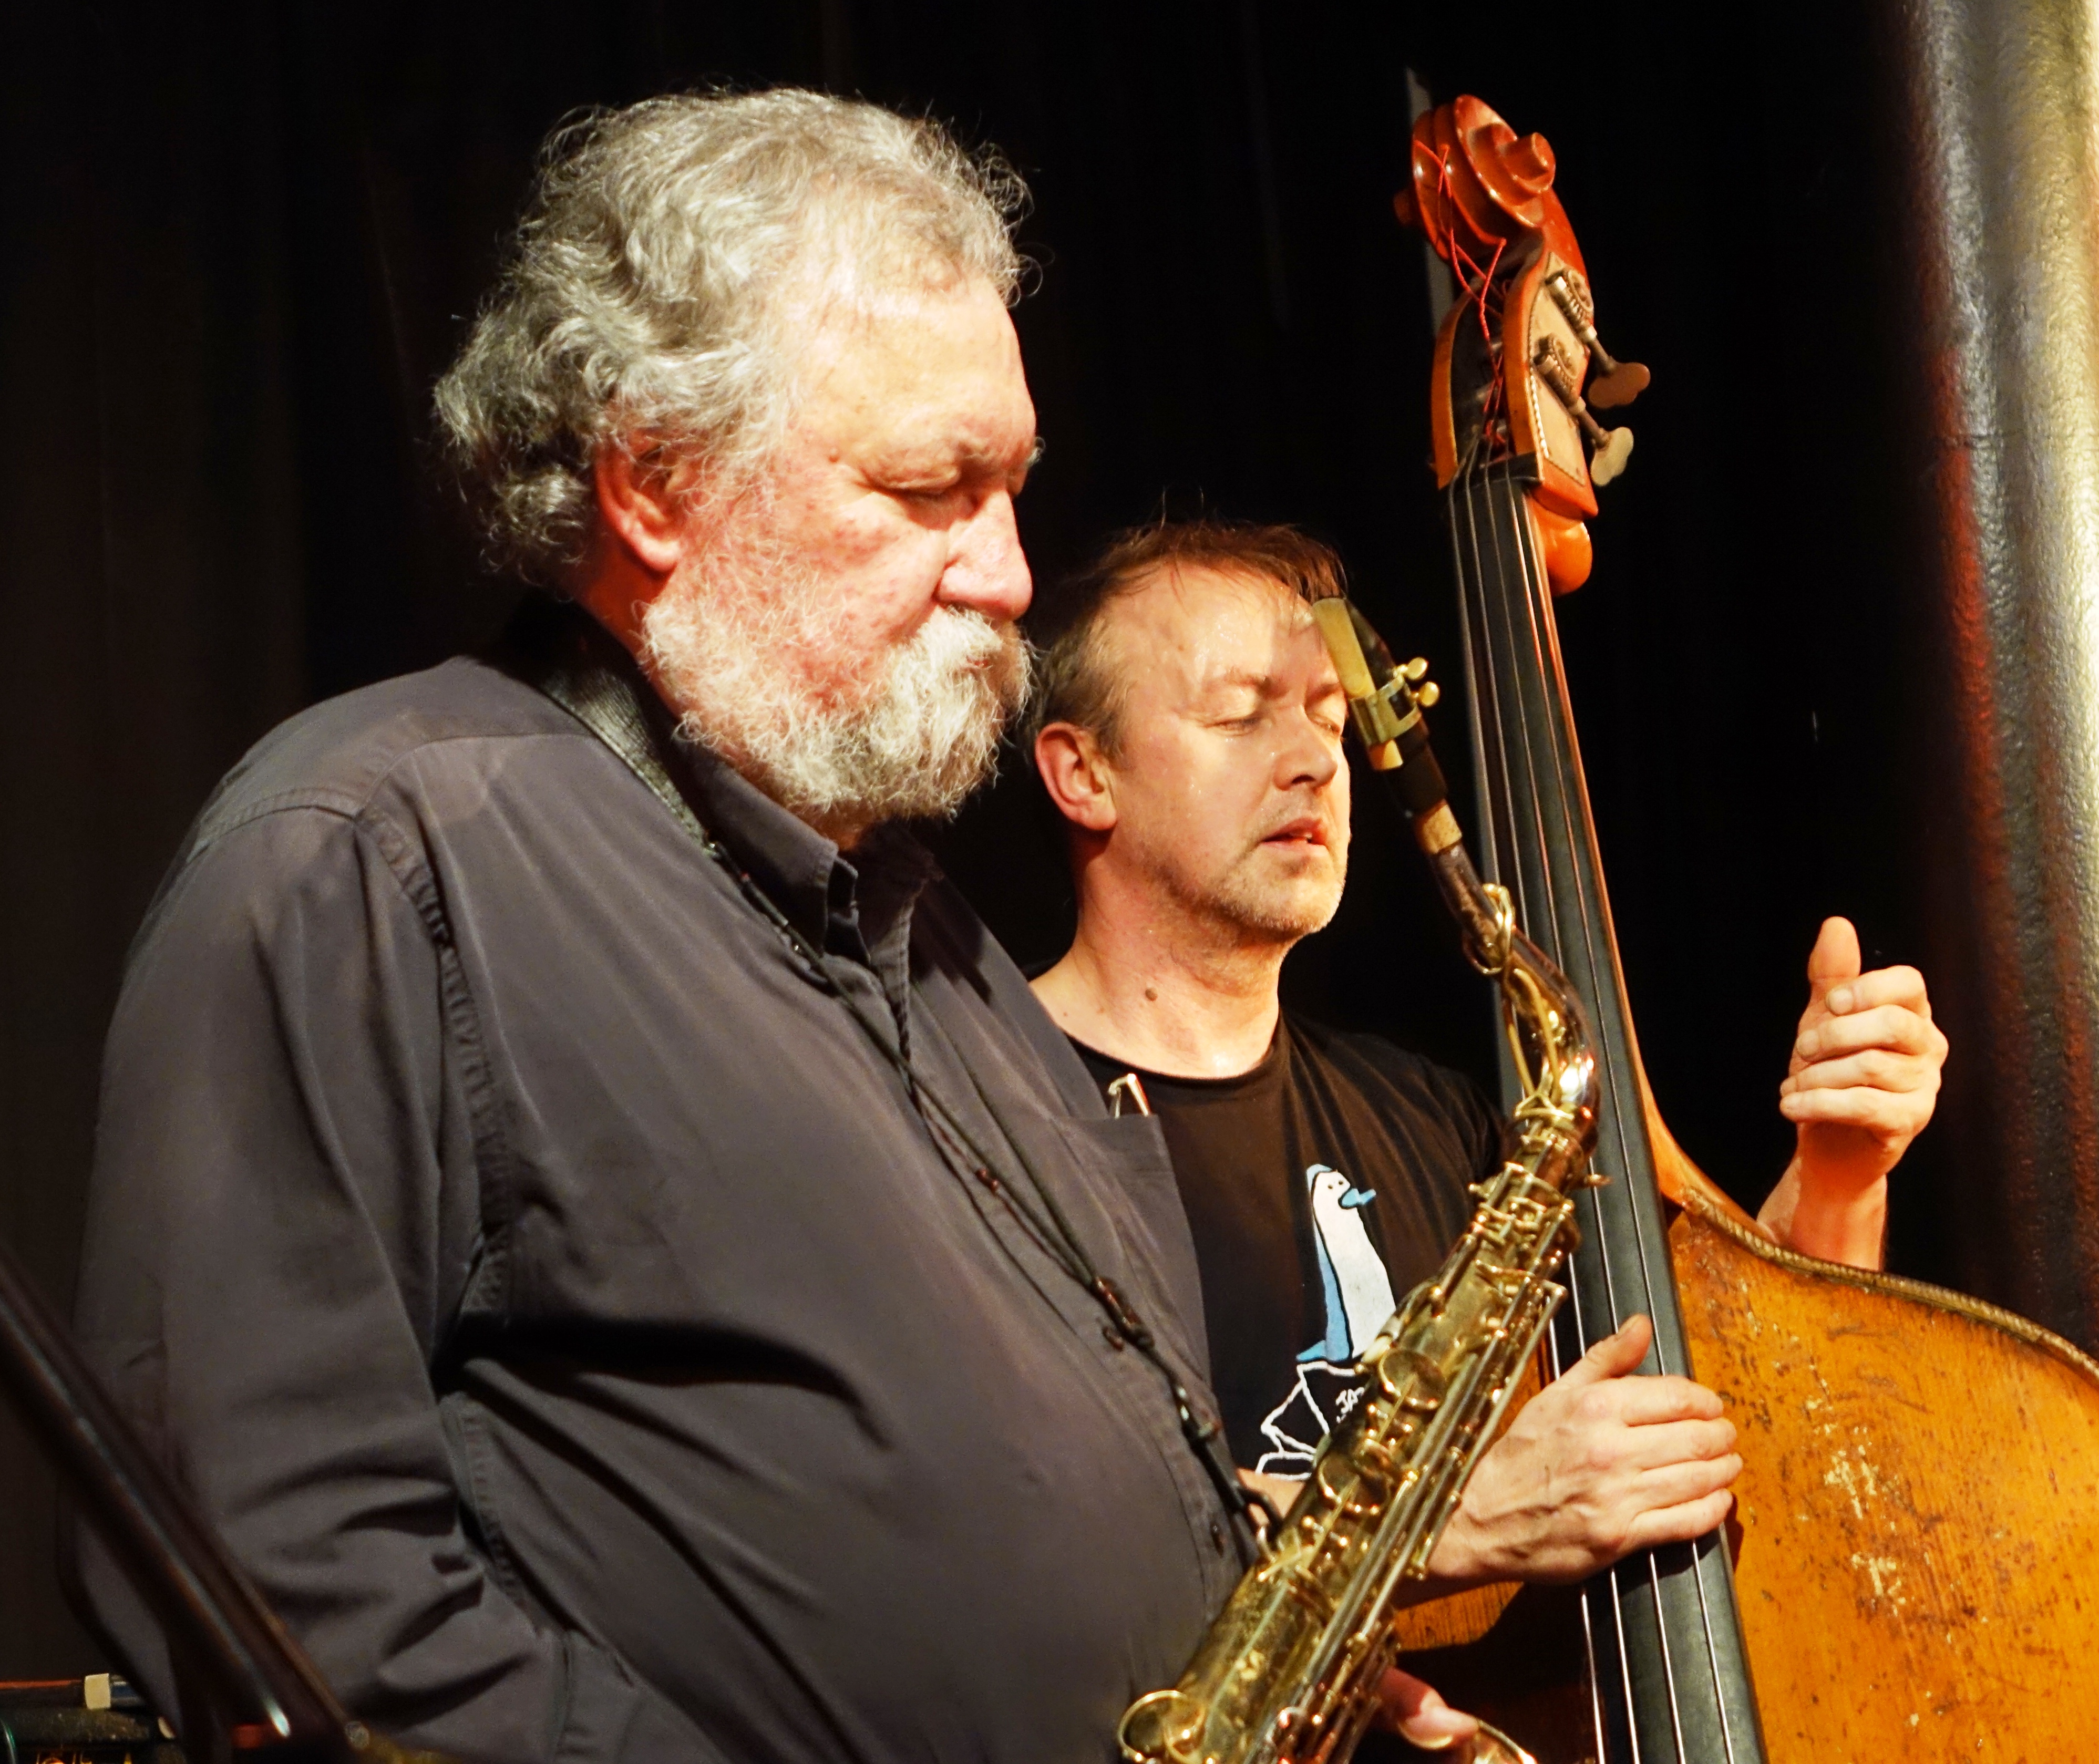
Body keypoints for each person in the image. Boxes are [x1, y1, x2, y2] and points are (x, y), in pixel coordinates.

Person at [67, 91, 1253, 1764]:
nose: (1004, 571)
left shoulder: (921, 911)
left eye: (1014, 485)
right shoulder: (368, 852)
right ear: (653, 484)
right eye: (932, 485)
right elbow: (274, 1588)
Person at [1022, 519, 1951, 1746]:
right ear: (1082, 773)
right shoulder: (978, 1111)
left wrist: (1836, 1170)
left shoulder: (1429, 1112)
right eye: (1241, 711)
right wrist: (1446, 1515)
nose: (1311, 756)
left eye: (1325, 714)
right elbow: (1003, 1546)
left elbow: (1710, 1419)